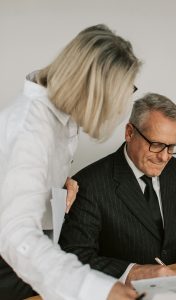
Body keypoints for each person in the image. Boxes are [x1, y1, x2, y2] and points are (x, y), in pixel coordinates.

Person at [0, 24, 141, 300]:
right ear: (91, 90)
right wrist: (100, 290)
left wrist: (55, 186)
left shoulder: (60, 115)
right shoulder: (29, 130)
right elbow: (16, 236)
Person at [59, 93, 176, 285]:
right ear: (129, 133)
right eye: (157, 145)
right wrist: (131, 272)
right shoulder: (89, 185)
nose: (164, 157)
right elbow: (76, 256)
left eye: (171, 147)